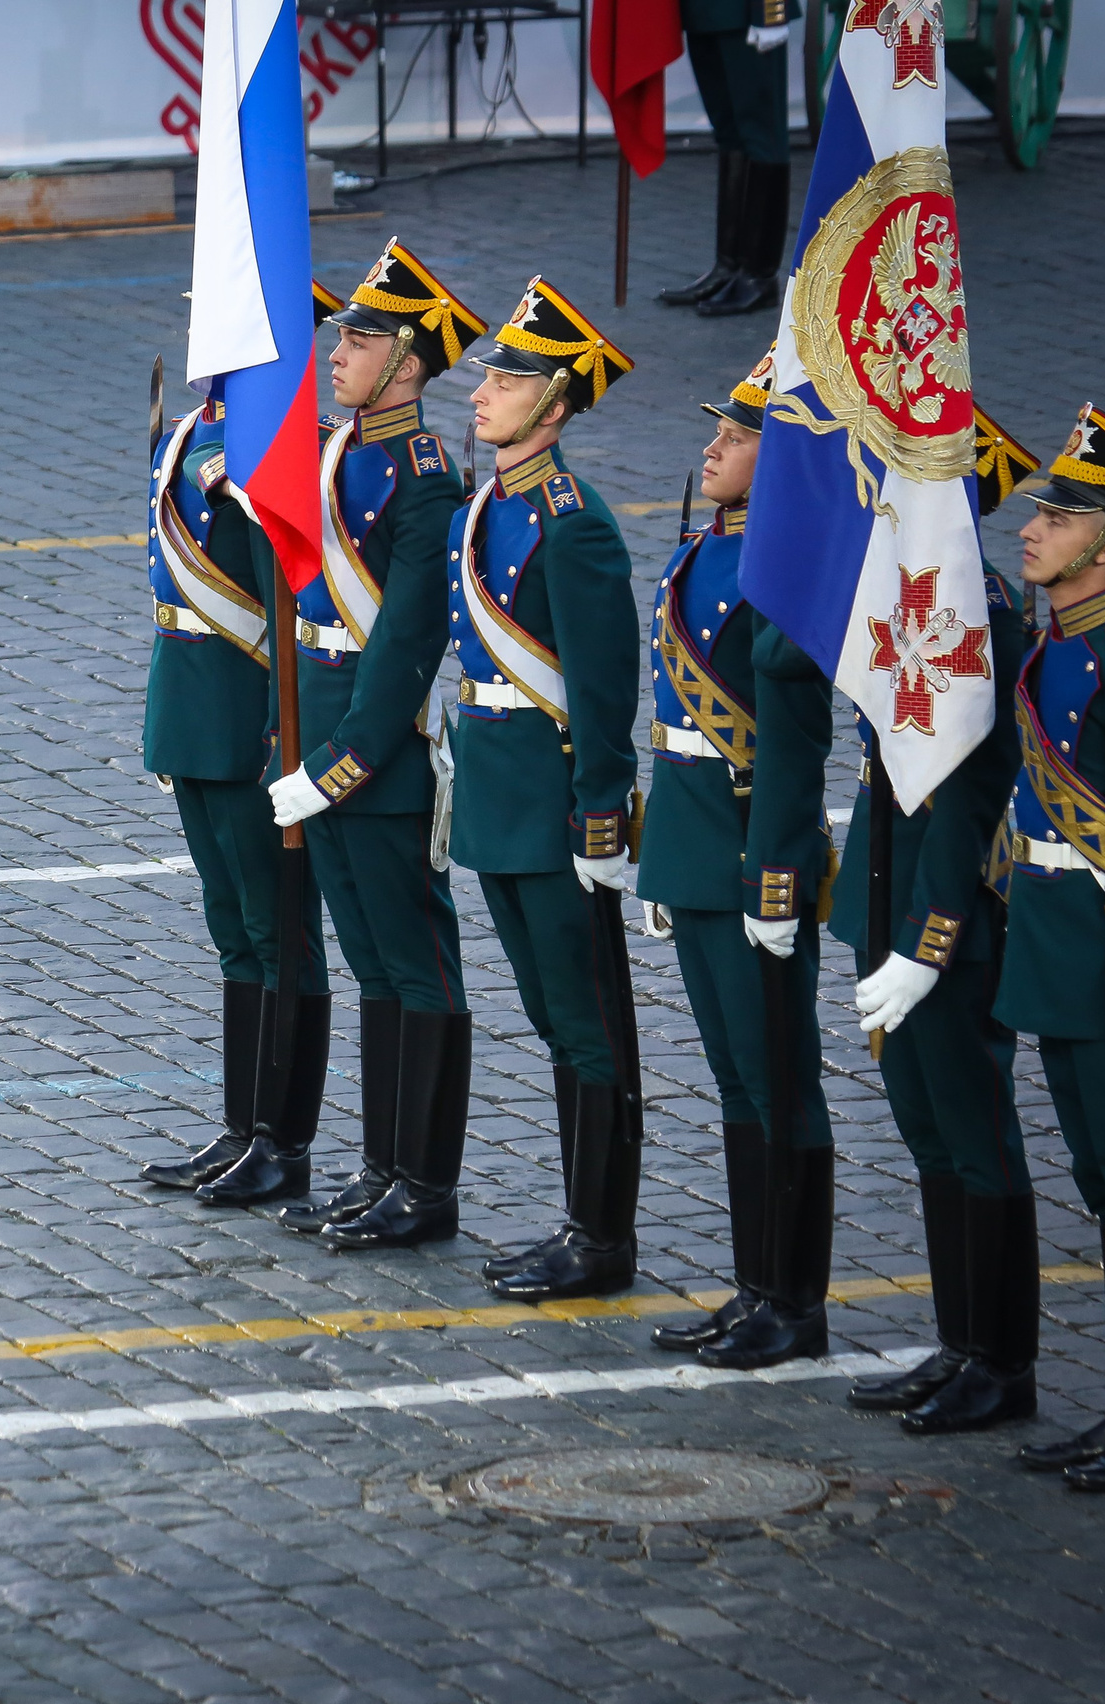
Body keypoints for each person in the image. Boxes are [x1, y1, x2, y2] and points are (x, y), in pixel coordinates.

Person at [747, 409, 1035, 1435]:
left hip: (940, 910)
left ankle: (1001, 1360)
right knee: (926, 1130)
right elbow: (794, 668)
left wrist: (929, 938)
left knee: (972, 1128)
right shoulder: (906, 594)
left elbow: (964, 795)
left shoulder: (979, 611)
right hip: (887, 887)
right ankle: (959, 1343)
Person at [262, 240, 481, 1250]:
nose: (339, 351)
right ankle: (381, 1166)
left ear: (408, 366)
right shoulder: (336, 450)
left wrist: (337, 765)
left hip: (375, 763)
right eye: (341, 334)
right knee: (373, 968)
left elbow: (404, 645)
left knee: (416, 964)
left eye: (361, 339)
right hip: (320, 743)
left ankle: (424, 1184)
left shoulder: (423, 478)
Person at [444, 278, 642, 1300]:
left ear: (556, 406)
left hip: (557, 811)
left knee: (586, 1022)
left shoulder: (574, 524)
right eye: (487, 371)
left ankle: (601, 1237)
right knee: (550, 1016)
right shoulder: (494, 505)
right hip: (497, 799)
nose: (483, 389)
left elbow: (607, 686)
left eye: (511, 377)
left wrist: (599, 816)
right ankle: (578, 1221)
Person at [637, 347, 834, 1369]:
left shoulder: (785, 569)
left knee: (777, 1078)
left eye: (738, 433)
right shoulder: (706, 550)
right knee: (731, 1076)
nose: (710, 445)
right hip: (693, 838)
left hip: (752, 849)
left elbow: (795, 744)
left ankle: (795, 1301)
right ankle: (755, 1283)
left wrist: (776, 873)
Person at [135, 286, 343, 1210]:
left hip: (250, 721)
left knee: (278, 933)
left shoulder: (275, 452)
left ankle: (282, 1139)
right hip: (191, 710)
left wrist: (280, 734)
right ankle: (241, 1124)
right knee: (234, 931)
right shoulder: (193, 433)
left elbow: (288, 608)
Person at [998, 404, 1105, 1493]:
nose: (1033, 527)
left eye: (1061, 517)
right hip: (1056, 952)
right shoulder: (1051, 643)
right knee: (1104, 1185)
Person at [659, 0, 798, 318]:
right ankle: (729, 265)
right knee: (729, 132)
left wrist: (771, 13)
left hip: (749, 12)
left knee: (763, 136)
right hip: (704, 13)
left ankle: (759, 275)